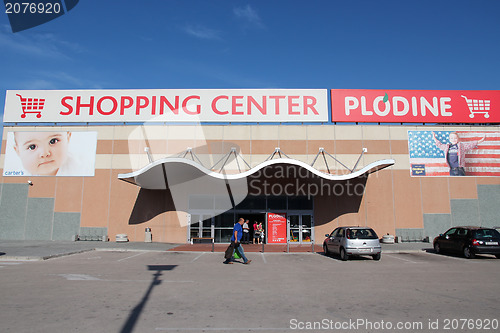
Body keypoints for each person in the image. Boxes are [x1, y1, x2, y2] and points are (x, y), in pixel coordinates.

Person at [12, 131, 83, 176]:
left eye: (53, 141)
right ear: (18, 151)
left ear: (68, 137)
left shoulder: (80, 169)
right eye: (32, 147)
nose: (45, 153)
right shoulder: (18, 176)